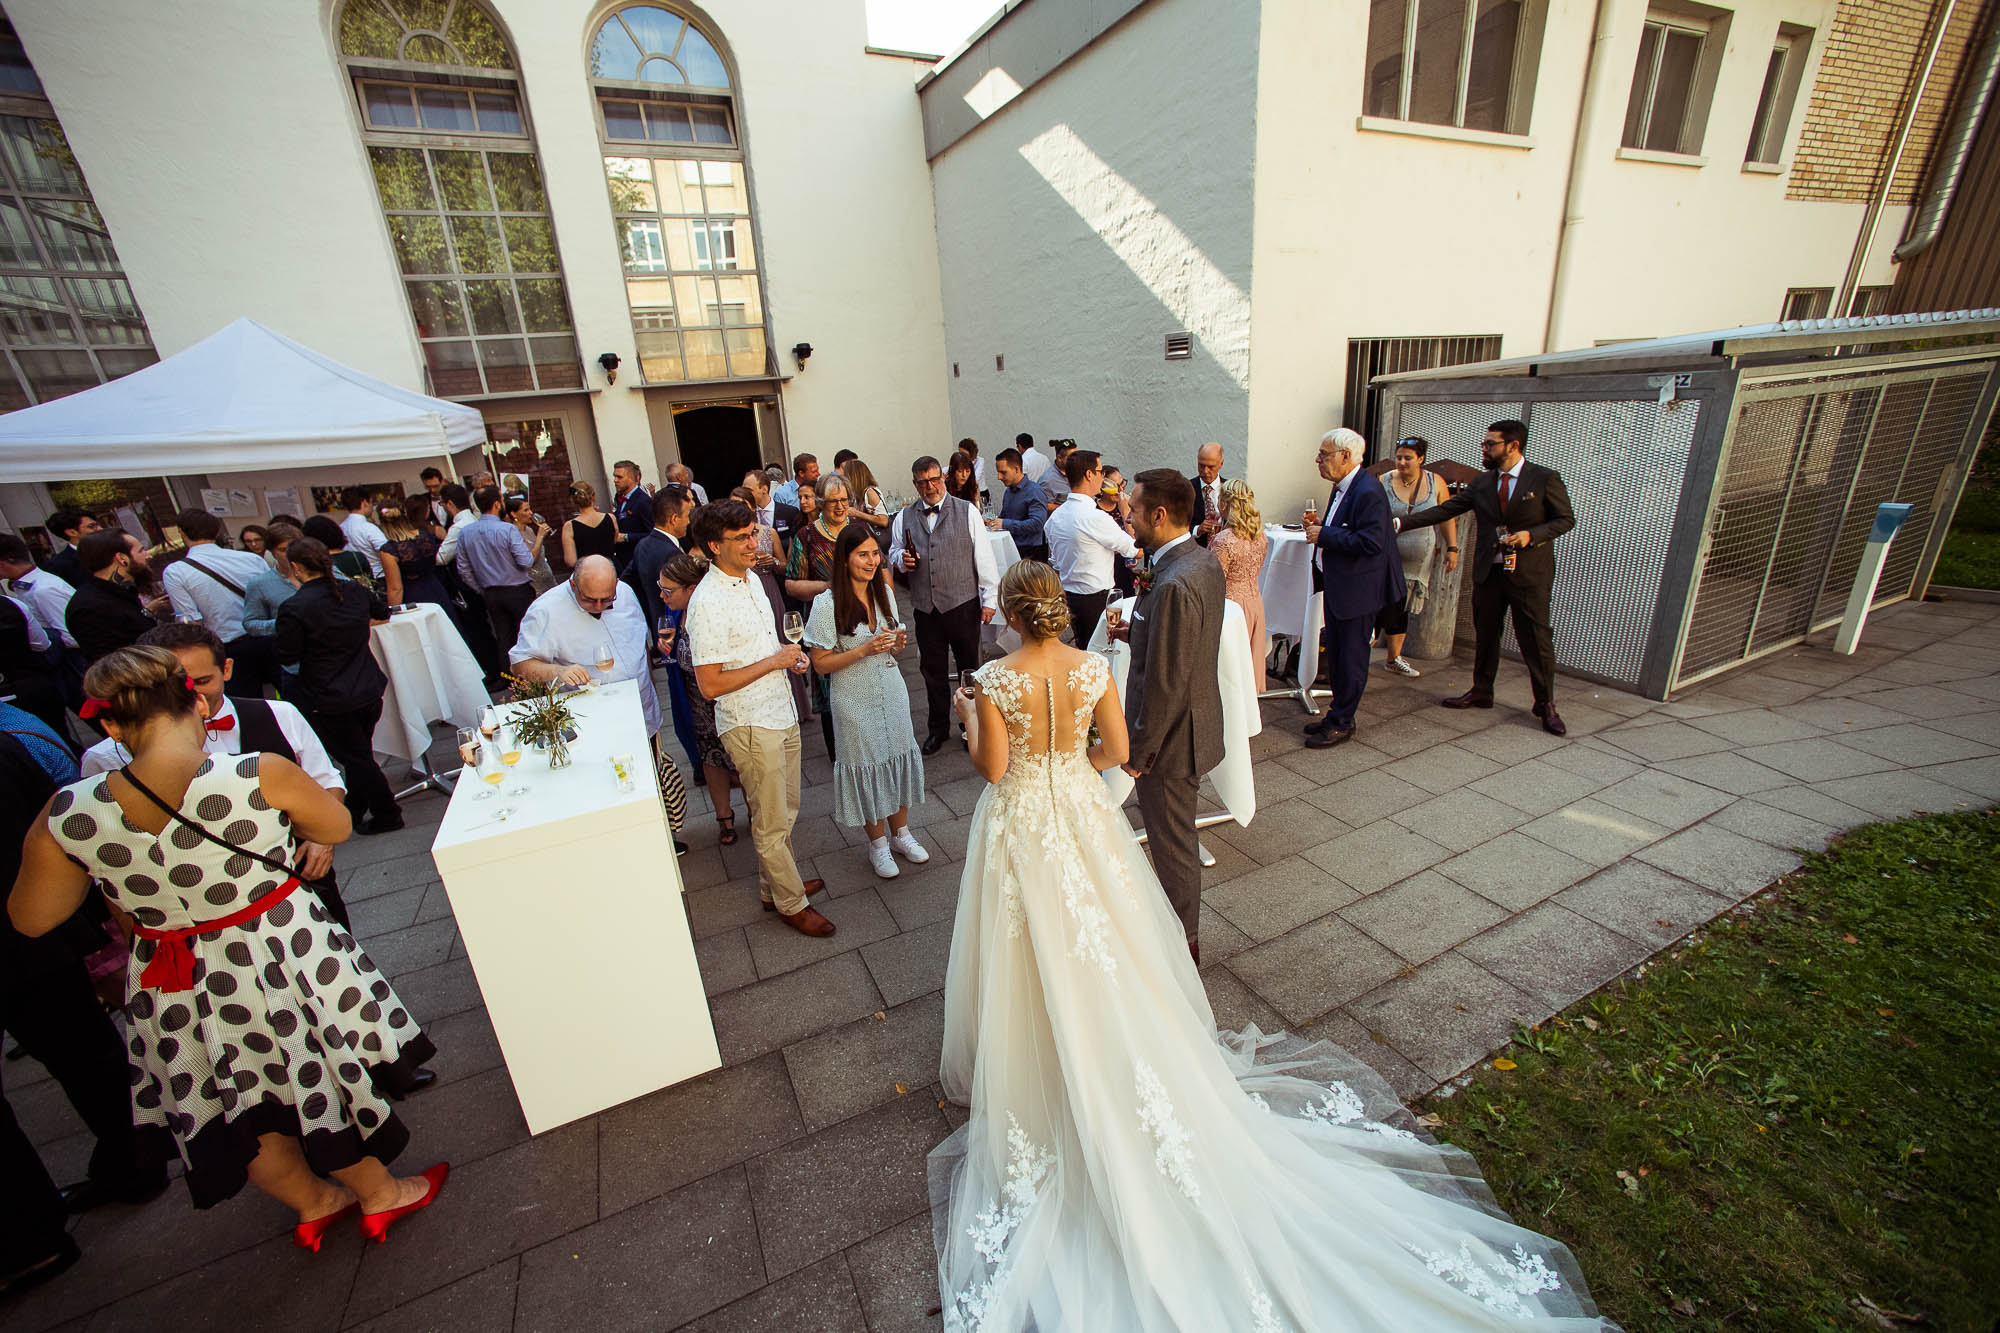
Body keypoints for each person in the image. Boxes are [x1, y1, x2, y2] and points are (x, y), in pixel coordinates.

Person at [929, 567, 1612, 1333]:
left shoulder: (991, 677)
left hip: (1022, 820)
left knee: (1028, 944)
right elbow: (1116, 750)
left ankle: (1038, 1058)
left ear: (1012, 615)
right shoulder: (1091, 667)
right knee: (1106, 940)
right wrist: (1067, 774)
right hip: (1081, 817)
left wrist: (973, 718)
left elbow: (991, 768)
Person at [11, 646, 447, 1248]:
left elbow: (33, 918)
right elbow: (336, 827)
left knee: (231, 1095)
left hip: (170, 974)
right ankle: (381, 1193)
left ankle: (314, 1203)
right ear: (194, 699)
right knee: (314, 1072)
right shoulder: (254, 772)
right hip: (271, 951)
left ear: (109, 725)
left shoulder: (69, 811)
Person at [0, 719, 163, 1301]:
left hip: (29, 933)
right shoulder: (10, 740)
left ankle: (32, 1235)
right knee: (86, 1049)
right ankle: (137, 1156)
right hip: (35, 939)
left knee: (85, 1051)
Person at [684, 500, 833, 936]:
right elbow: (710, 685)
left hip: (780, 710)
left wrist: (791, 659)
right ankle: (790, 902)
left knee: (786, 808)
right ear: (714, 545)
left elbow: (767, 647)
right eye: (744, 537)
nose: (756, 542)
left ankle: (775, 884)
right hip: (749, 722)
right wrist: (774, 662)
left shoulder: (749, 578)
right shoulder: (707, 602)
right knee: (769, 819)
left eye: (755, 532)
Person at [1397, 418, 1574, 735]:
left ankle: (1545, 703)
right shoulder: (1482, 483)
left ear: (1513, 446)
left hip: (1528, 575)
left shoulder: (1544, 479)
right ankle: (1482, 691)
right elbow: (1445, 510)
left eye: (1490, 444)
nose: (1484, 448)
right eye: (1484, 443)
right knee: (1487, 634)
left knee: (1536, 640)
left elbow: (1565, 520)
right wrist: (1398, 524)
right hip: (1489, 571)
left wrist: (1529, 536)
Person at [1113, 470, 1225, 959]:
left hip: (1172, 741)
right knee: (1172, 838)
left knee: (1173, 845)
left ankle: (1184, 949)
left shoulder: (1175, 582)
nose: (1127, 515)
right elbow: (1181, 646)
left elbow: (1165, 683)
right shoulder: (1200, 560)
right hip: (1189, 727)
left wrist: (1139, 752)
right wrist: (1136, 631)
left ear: (1159, 515)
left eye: (1133, 509)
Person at [803, 522, 928, 878]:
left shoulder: (884, 595)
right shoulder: (826, 604)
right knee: (868, 766)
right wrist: (864, 649)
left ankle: (901, 834)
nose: (872, 561)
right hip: (853, 698)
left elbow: (891, 643)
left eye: (875, 553)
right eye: (863, 554)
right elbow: (821, 662)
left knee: (896, 757)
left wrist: (895, 644)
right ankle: (878, 846)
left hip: (891, 689)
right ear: (844, 559)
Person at [274, 538, 403, 836]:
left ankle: (387, 812)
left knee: (355, 758)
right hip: (366, 686)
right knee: (357, 754)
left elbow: (287, 654)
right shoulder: (351, 591)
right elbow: (382, 612)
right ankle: (354, 808)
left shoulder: (296, 606)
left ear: (295, 567)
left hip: (328, 695)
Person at [887, 455, 999, 756]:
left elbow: (984, 558)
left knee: (970, 668)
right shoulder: (903, 517)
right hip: (926, 609)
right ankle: (938, 728)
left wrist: (989, 600)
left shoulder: (967, 512)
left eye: (935, 479)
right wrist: (902, 560)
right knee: (932, 671)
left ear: (943, 479)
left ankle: (971, 727)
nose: (930, 486)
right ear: (915, 484)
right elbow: (894, 552)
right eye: (923, 482)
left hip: (963, 603)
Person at [1302, 428, 1404, 750]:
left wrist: (1325, 535)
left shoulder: (1367, 491)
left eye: (1324, 454)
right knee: (1337, 654)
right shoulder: (1343, 485)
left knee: (1352, 658)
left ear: (1346, 456)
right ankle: (1337, 714)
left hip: (1358, 589)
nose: (1318, 459)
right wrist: (1325, 529)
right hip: (1339, 583)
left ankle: (1342, 721)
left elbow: (1372, 542)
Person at [509, 556, 660, 737]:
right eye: (589, 600)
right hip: (594, 721)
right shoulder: (545, 610)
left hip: (645, 710)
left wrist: (652, 683)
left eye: (606, 600)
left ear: (616, 584)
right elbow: (520, 665)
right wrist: (558, 671)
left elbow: (641, 642)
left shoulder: (625, 592)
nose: (598, 606)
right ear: (573, 585)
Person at [657, 553, 744, 847]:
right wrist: (670, 651)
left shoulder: (712, 613)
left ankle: (758, 815)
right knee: (711, 759)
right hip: (697, 704)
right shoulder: (678, 615)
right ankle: (724, 818)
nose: (662, 595)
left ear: (691, 589)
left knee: (741, 761)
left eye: (668, 590)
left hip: (727, 701)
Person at [162, 508, 276, 698]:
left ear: (181, 533)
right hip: (267, 636)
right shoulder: (252, 559)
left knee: (247, 704)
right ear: (216, 533)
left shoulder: (176, 572)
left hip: (227, 647)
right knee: (288, 696)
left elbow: (191, 623)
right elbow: (271, 599)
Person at [783, 474, 856, 758]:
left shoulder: (859, 529)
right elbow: (791, 584)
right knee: (829, 688)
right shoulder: (807, 536)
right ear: (821, 503)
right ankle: (838, 754)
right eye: (833, 502)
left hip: (859, 622)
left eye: (844, 501)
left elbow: (880, 570)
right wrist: (829, 587)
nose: (840, 507)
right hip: (825, 624)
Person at [1378, 437, 1459, 679]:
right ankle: (1365, 648)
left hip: (1418, 556)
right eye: (1399, 457)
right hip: (1387, 554)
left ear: (1421, 459)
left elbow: (1447, 517)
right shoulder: (1384, 481)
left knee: (1402, 606)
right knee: (1381, 603)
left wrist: (1452, 548)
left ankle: (1394, 658)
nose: (1402, 462)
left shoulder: (1436, 482)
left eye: (1408, 458)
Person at [1044, 448, 1139, 649]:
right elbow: (1135, 550)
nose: (1102, 477)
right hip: (1097, 600)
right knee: (1101, 655)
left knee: (1085, 652)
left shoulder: (1056, 517)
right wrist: (1126, 513)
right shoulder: (1094, 517)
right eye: (1100, 471)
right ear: (1089, 475)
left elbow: (1055, 561)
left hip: (1069, 596)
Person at [454, 485, 545, 658]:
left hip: (491, 593)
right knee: (527, 634)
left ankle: (511, 680)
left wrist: (482, 589)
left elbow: (463, 570)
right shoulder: (507, 529)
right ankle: (534, 678)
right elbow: (526, 561)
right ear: (497, 504)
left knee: (504, 638)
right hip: (516, 590)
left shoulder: (465, 532)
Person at [66, 529, 164, 664]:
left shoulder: (122, 590)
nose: (148, 556)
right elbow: (114, 665)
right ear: (122, 559)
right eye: (141, 551)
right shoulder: (90, 608)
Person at [1211, 479, 1270, 691]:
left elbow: (1215, 579)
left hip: (1231, 605)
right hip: (1254, 603)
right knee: (1248, 664)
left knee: (1229, 668)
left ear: (1225, 504)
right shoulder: (1260, 535)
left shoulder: (1224, 540)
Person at [628, 482, 690, 630]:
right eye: (687, 516)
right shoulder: (672, 553)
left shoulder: (642, 545)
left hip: (658, 627)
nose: (689, 521)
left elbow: (627, 582)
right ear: (674, 519)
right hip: (674, 630)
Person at [375, 505, 448, 610]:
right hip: (436, 589)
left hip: (413, 596)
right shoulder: (426, 536)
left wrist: (391, 613)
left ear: (383, 526)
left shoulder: (389, 550)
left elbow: (395, 589)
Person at [241, 520, 305, 637]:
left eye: (295, 547)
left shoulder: (323, 572)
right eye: (283, 550)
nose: (291, 553)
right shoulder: (260, 584)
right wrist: (284, 623)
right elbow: (251, 624)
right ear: (272, 552)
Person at [987, 447, 1048, 563]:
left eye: (1003, 472)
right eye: (998, 472)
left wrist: (1004, 523)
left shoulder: (1034, 491)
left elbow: (1037, 524)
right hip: (1013, 549)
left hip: (1032, 554)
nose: (998, 477)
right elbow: (1005, 517)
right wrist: (993, 521)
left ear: (1016, 469)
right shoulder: (1009, 491)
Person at [740, 468, 806, 565]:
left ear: (764, 489)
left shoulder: (789, 512)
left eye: (749, 490)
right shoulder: (746, 515)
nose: (745, 494)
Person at [560, 480, 619, 572]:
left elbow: (571, 561)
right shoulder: (611, 518)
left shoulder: (569, 527)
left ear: (573, 501)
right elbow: (614, 540)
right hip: (612, 570)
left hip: (589, 574)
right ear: (594, 497)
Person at [504, 496, 559, 595]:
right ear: (513, 514)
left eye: (530, 509)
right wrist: (540, 536)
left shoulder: (528, 529)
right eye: (526, 510)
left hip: (547, 577)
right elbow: (530, 560)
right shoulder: (513, 534)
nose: (531, 513)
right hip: (534, 585)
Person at [333, 487, 389, 580]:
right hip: (379, 575)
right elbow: (387, 551)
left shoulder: (340, 528)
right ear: (364, 503)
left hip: (355, 578)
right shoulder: (368, 527)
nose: (372, 507)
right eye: (371, 502)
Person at [40, 508, 98, 588]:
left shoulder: (113, 547)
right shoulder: (59, 566)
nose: (100, 529)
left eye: (97, 525)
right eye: (91, 527)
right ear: (72, 532)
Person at [610, 459, 654, 564]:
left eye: (619, 477)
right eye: (614, 476)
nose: (615, 480)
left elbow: (653, 533)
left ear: (634, 478)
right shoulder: (620, 497)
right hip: (624, 559)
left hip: (639, 558)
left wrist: (626, 537)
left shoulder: (643, 501)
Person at [1190, 441, 1228, 547]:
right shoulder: (1187, 489)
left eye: (1211, 467)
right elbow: (1176, 526)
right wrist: (1197, 529)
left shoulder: (1229, 489)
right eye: (1201, 466)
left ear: (1221, 464)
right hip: (1195, 553)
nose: (1205, 471)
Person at [842, 457, 891, 531]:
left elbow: (883, 521)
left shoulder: (870, 492)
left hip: (876, 538)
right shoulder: (857, 493)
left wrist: (856, 513)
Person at [416, 467, 450, 535]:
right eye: (428, 487)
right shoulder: (423, 500)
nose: (432, 490)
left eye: (435, 486)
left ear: (442, 482)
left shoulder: (453, 496)